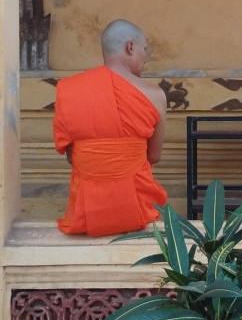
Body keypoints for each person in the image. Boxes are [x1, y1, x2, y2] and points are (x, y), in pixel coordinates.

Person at [53, 19, 168, 236]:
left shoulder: (69, 90)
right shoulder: (154, 95)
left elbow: (73, 157)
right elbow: (153, 156)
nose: (146, 58)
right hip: (137, 212)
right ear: (130, 47)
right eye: (145, 49)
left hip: (86, 214)